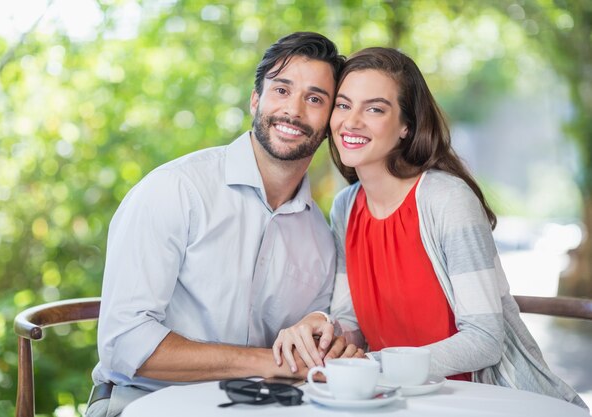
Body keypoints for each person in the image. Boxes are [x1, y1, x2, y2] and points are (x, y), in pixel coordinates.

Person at [272, 47, 587, 409]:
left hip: (483, 400)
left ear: (406, 125)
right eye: (343, 105)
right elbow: (351, 317)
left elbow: (485, 339)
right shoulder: (345, 207)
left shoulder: (446, 199)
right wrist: (323, 327)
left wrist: (373, 365)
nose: (352, 121)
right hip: (399, 399)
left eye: (374, 108)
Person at [85, 32, 363, 417]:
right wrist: (269, 361)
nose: (294, 111)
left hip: (261, 407)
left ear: (331, 120)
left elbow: (309, 350)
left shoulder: (319, 236)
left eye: (314, 99)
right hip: (141, 402)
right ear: (255, 99)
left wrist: (324, 344)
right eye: (281, 90)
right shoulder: (176, 190)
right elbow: (125, 343)